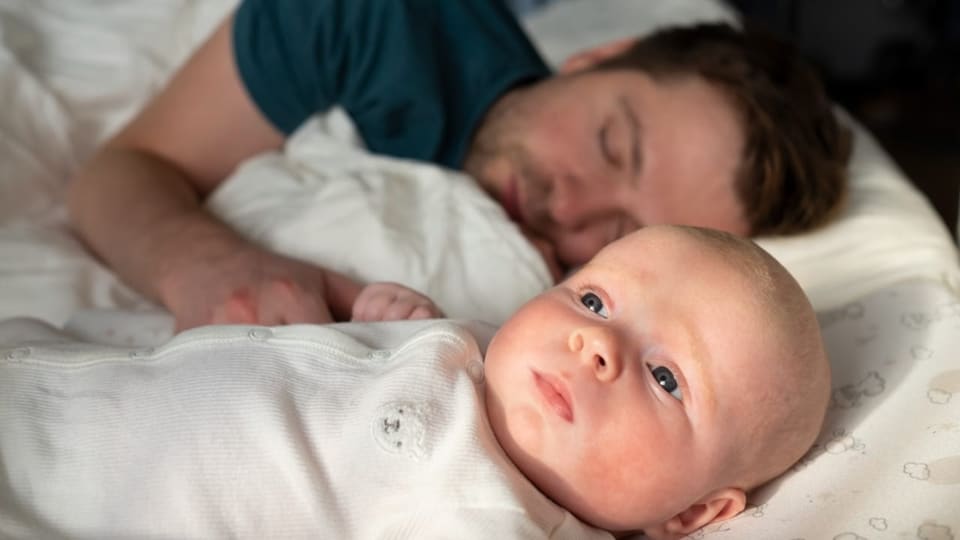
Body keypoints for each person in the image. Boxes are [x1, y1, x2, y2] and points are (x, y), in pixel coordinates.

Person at [0, 225, 832, 539]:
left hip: (63, 490)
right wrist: (387, 315)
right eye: (591, 297)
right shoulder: (485, 349)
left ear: (692, 513)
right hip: (65, 365)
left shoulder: (498, 519)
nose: (594, 344)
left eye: (664, 376)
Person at [66, 0, 851, 332]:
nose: (570, 208)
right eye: (612, 144)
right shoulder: (372, 23)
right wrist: (208, 264)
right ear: (596, 57)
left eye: (621, 230)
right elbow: (124, 169)